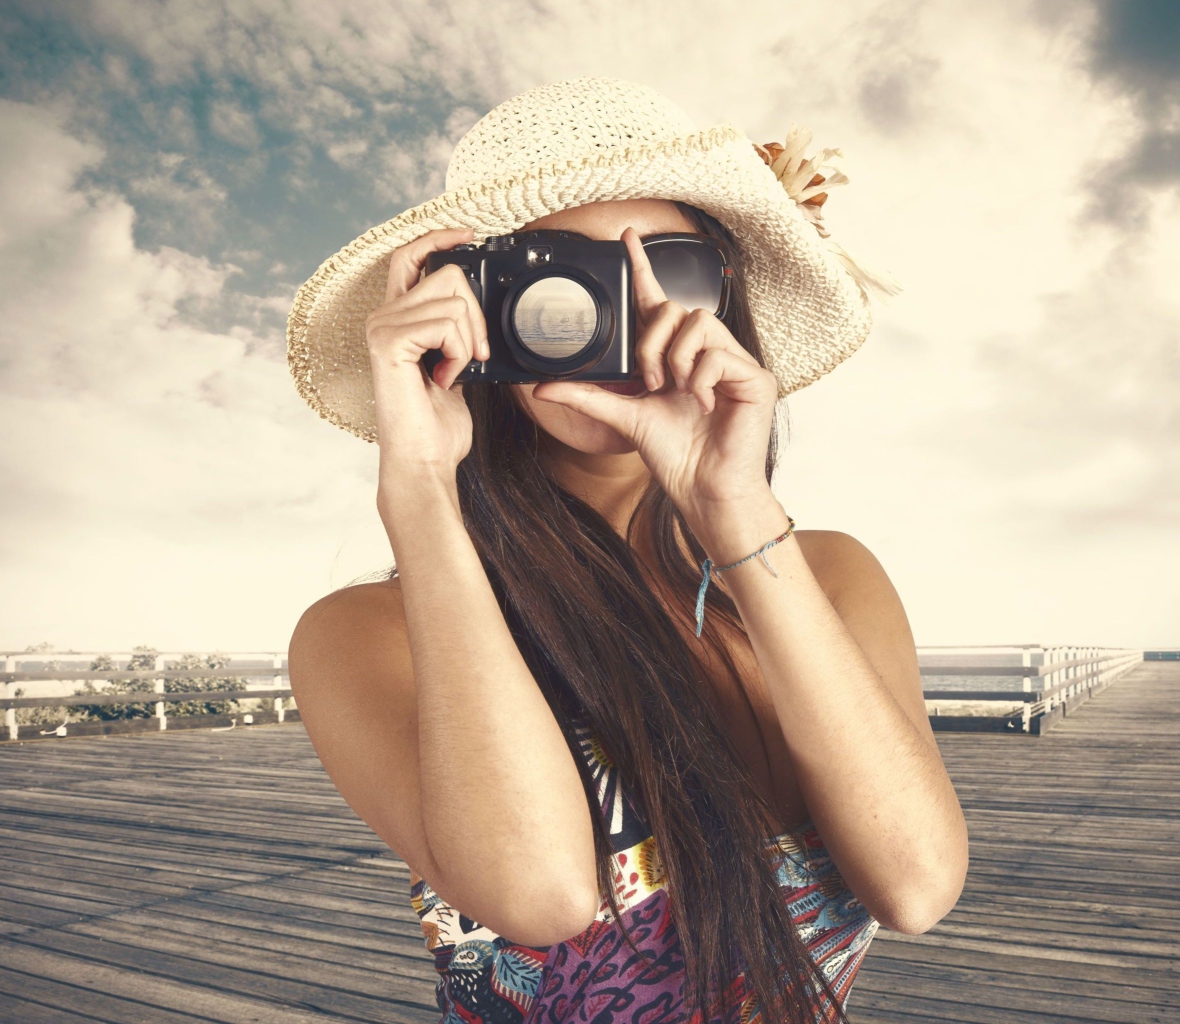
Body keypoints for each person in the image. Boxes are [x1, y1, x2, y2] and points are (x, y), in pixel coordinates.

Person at [285, 77, 967, 1024]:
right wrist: (421, 487)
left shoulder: (831, 576)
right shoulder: (367, 632)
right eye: (559, 279)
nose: (616, 318)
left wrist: (732, 509)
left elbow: (918, 883)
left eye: (673, 271)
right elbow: (541, 895)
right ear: (472, 314)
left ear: (723, 305)